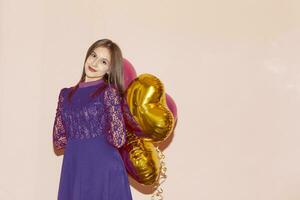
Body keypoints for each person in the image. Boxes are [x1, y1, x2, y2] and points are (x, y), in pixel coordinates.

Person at [52, 39, 133, 200]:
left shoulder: (108, 93)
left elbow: (119, 139)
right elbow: (58, 141)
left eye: (103, 61)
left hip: (103, 170)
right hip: (74, 167)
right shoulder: (64, 94)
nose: (94, 63)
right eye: (93, 55)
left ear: (109, 69)